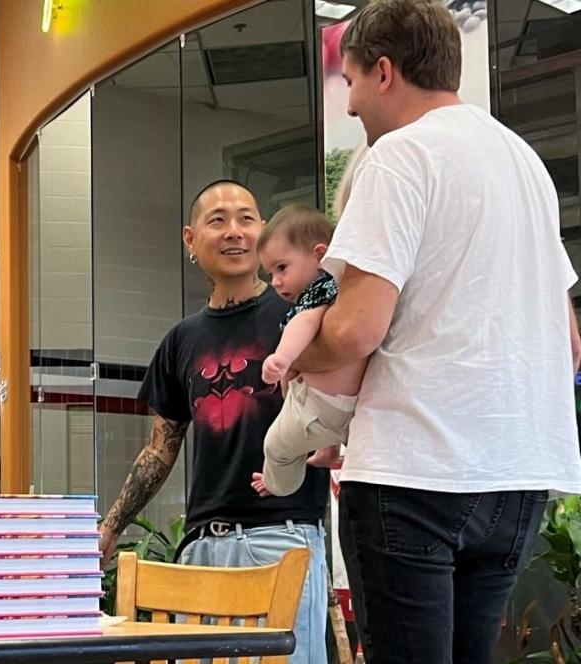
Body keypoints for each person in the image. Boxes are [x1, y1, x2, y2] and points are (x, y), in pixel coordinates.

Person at [292, 1, 581, 661]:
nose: (352, 106)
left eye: (353, 83)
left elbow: (359, 327)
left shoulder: (398, 156)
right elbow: (567, 344)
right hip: (515, 475)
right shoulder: (525, 164)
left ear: (385, 71)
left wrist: (300, 363)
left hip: (414, 471)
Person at [98, 180, 330, 664]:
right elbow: (160, 448)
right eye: (218, 220)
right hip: (201, 547)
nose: (234, 232)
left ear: (264, 232)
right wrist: (111, 526)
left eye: (247, 218)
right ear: (190, 239)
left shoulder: (302, 312)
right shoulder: (181, 340)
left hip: (281, 536)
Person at [249, 205, 365, 498]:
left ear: (319, 254)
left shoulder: (317, 293)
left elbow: (305, 321)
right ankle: (328, 451)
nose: (275, 281)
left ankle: (277, 485)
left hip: (314, 408)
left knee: (274, 447)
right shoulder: (351, 293)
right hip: (355, 407)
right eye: (271, 272)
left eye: (282, 268)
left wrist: (282, 356)